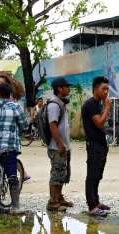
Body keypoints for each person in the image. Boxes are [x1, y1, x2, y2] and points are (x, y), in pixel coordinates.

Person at [0, 82, 28, 213]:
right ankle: (15, 206)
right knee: (12, 177)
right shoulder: (16, 107)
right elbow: (23, 125)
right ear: (10, 94)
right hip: (9, 147)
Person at [81, 75, 111, 217]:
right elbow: (99, 122)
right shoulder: (90, 104)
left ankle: (96, 201)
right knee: (92, 175)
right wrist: (107, 108)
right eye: (103, 89)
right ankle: (92, 206)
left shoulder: (98, 104)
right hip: (93, 144)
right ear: (95, 89)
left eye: (107, 89)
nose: (106, 92)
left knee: (98, 175)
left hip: (100, 144)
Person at [46, 76, 73, 212]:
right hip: (57, 147)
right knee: (56, 173)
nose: (69, 88)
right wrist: (60, 143)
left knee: (62, 173)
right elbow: (52, 125)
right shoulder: (54, 105)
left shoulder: (60, 103)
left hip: (63, 146)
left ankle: (59, 197)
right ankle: (53, 201)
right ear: (59, 88)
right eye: (66, 86)